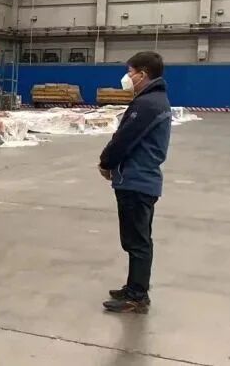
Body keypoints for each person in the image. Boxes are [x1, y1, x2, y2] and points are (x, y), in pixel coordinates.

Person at [99, 51, 171, 314]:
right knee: (137, 239)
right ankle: (134, 287)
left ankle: (137, 296)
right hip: (140, 179)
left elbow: (124, 139)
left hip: (137, 180)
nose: (127, 77)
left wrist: (106, 162)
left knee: (137, 240)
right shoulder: (153, 100)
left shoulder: (147, 104)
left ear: (143, 74)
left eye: (130, 72)